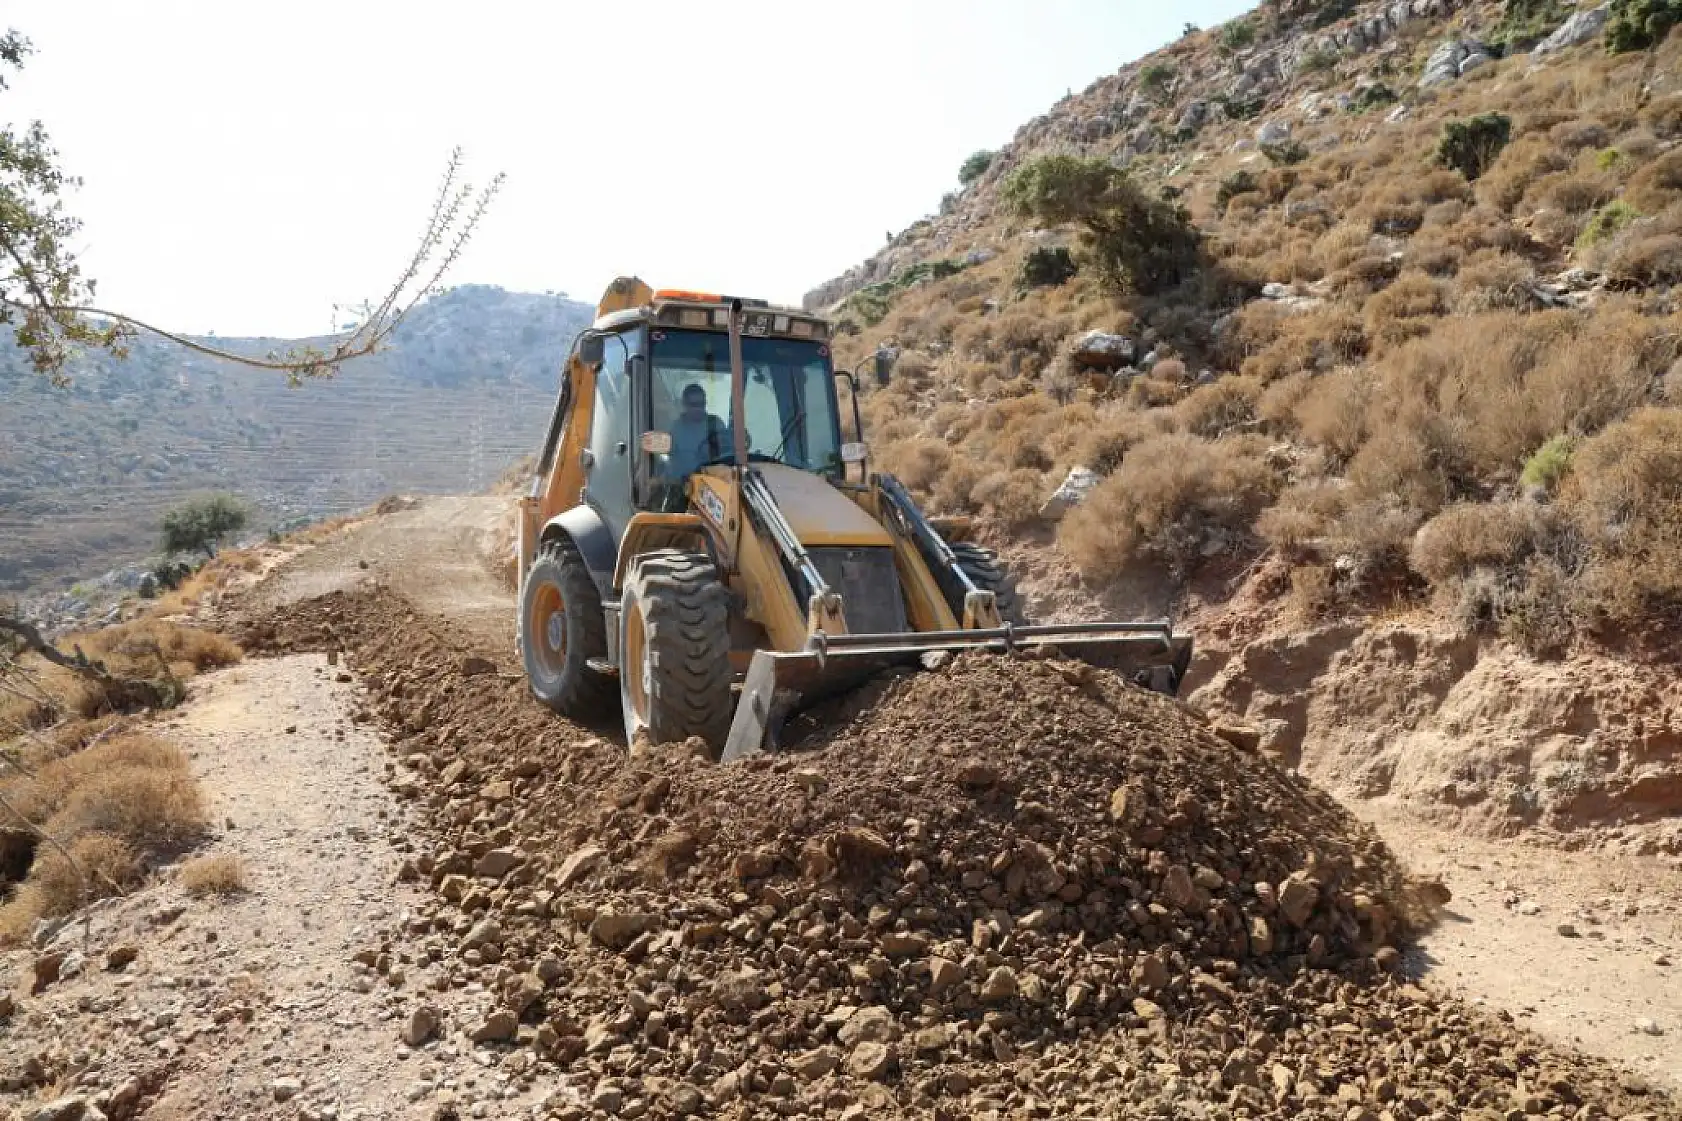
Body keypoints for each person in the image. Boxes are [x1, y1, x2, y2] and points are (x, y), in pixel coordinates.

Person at [665, 383, 729, 478]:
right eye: (694, 405)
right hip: (681, 484)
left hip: (712, 484)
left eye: (701, 404)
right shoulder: (676, 428)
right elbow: (667, 457)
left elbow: (726, 454)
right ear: (684, 404)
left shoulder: (716, 424)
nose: (698, 409)